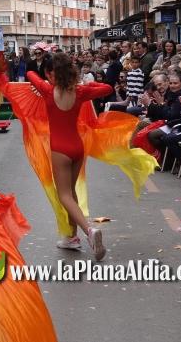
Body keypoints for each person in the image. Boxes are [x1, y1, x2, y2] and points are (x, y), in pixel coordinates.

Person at [25, 53, 113, 259]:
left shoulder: (47, 90)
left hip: (59, 149)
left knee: (64, 195)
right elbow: (107, 88)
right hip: (77, 147)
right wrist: (87, 86)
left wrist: (46, 76)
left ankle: (89, 231)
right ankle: (72, 237)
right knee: (71, 193)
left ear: (51, 74)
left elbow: (30, 73)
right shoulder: (80, 91)